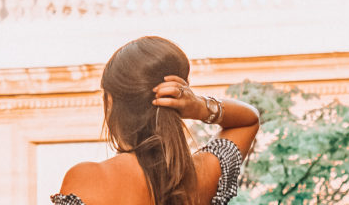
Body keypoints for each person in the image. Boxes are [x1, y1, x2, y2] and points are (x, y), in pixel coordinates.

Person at [52, 36, 260, 205]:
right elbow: (248, 120)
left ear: (110, 101)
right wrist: (199, 106)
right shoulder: (203, 175)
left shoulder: (89, 178)